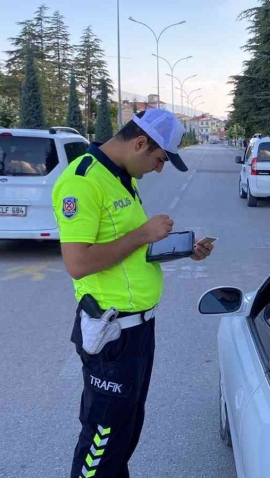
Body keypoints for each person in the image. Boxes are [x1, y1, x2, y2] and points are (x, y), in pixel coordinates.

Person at [52, 109, 214, 478]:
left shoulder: (121, 177)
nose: (159, 169)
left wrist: (179, 248)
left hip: (137, 330)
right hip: (113, 333)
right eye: (158, 160)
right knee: (103, 441)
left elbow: (126, 252)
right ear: (140, 143)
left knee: (123, 434)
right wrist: (143, 234)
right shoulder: (83, 182)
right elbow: (78, 263)